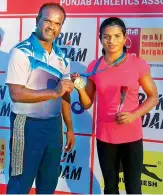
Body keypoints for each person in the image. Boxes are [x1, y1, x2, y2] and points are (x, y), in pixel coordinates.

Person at [71, 17, 158, 194]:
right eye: (107, 36)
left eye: (117, 36)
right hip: (105, 137)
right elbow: (86, 103)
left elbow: (153, 97)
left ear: (125, 38)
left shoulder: (138, 64)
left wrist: (134, 115)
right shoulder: (94, 66)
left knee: (133, 188)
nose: (112, 41)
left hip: (131, 137)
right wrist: (79, 87)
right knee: (110, 188)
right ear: (100, 38)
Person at [5, 3, 75, 194]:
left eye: (57, 23)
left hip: (54, 126)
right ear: (37, 21)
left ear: (61, 27)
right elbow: (16, 94)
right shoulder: (21, 52)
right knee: (20, 183)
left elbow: (65, 95)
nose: (52, 27)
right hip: (26, 125)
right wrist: (55, 92)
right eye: (47, 20)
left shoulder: (62, 57)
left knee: (48, 183)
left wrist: (69, 128)